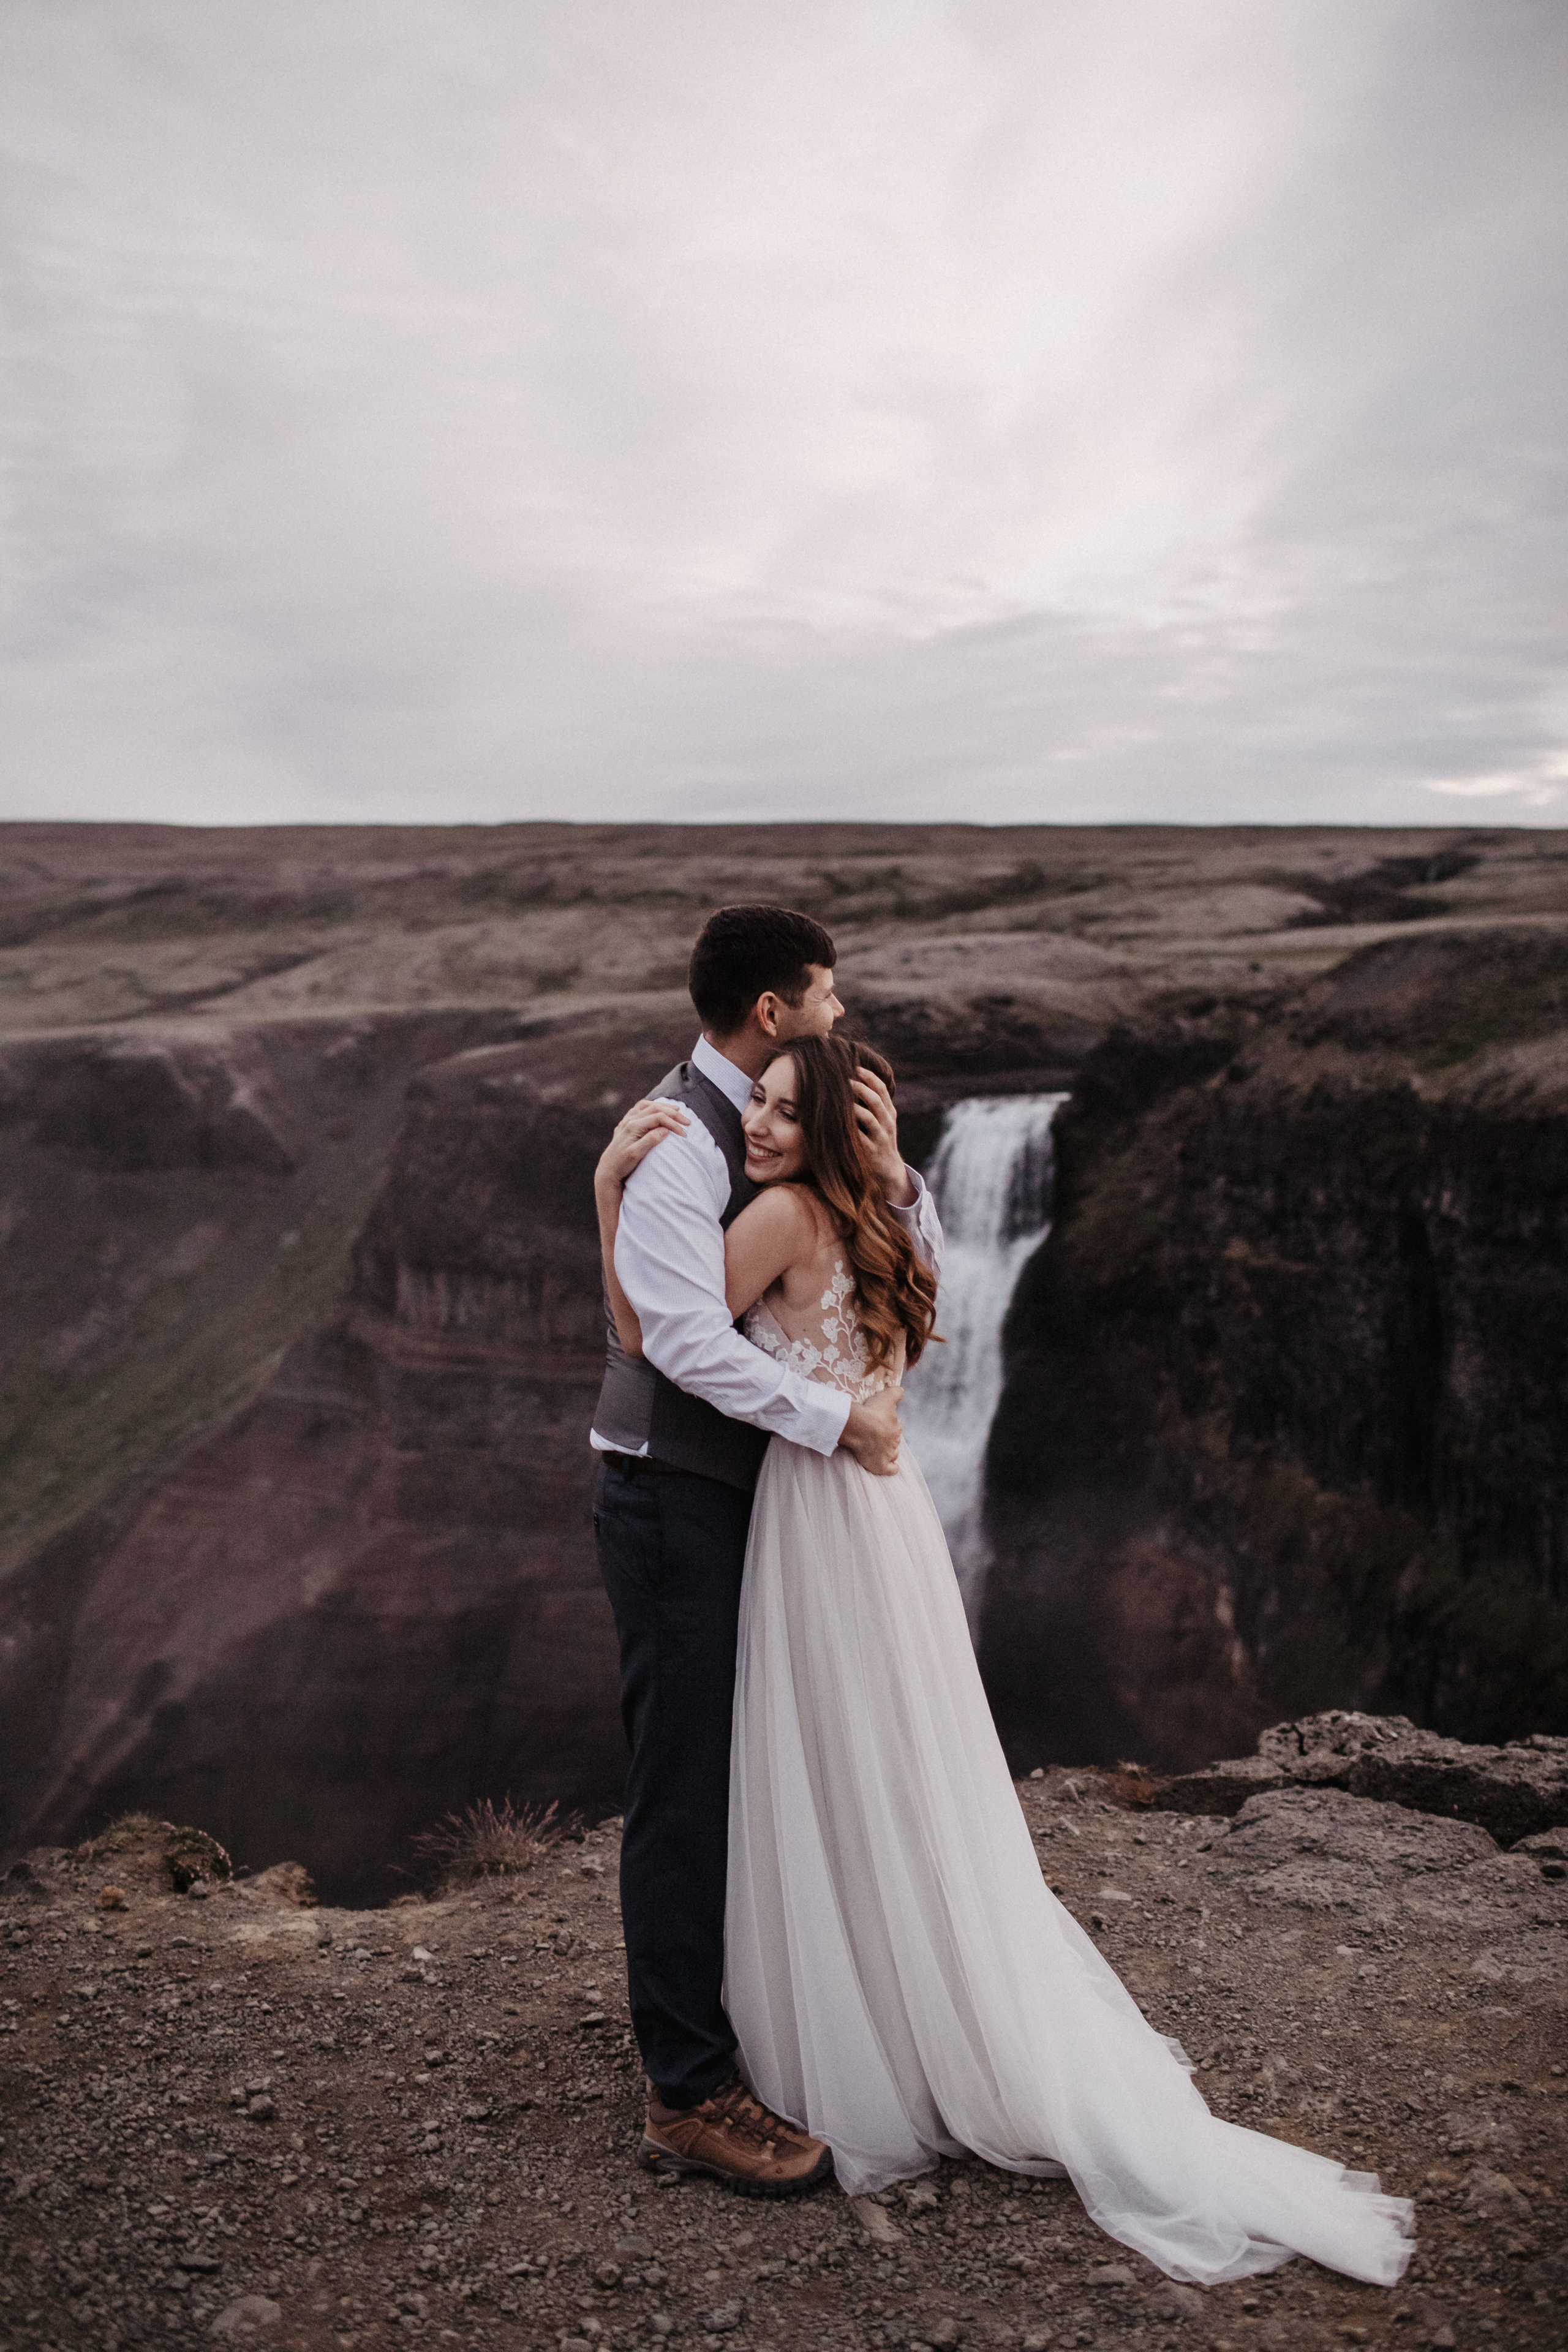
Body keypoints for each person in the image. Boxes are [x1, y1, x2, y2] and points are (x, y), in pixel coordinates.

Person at [597, 1031, 1416, 2289]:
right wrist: (891, 1178)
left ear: (817, 1130)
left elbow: (655, 1336)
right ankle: (921, 2002)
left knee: (820, 1753)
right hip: (888, 1518)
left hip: (815, 1518)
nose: (747, 1128)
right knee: (896, 1758)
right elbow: (897, 1329)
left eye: (771, 1110)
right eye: (749, 1104)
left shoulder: (772, 1218)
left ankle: (840, 2025)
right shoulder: (876, 1217)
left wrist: (609, 1192)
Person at [589, 904, 944, 2198]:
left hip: (786, 1509)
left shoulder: (802, 1116)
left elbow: (895, 1275)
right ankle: (685, 2090)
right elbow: (672, 1342)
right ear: (774, 1010)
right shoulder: (682, 1141)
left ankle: (791, 2022)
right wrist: (840, 1419)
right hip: (677, 1497)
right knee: (683, 1789)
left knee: (784, 1764)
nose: (841, 1012)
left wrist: (897, 1180)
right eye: (827, 995)